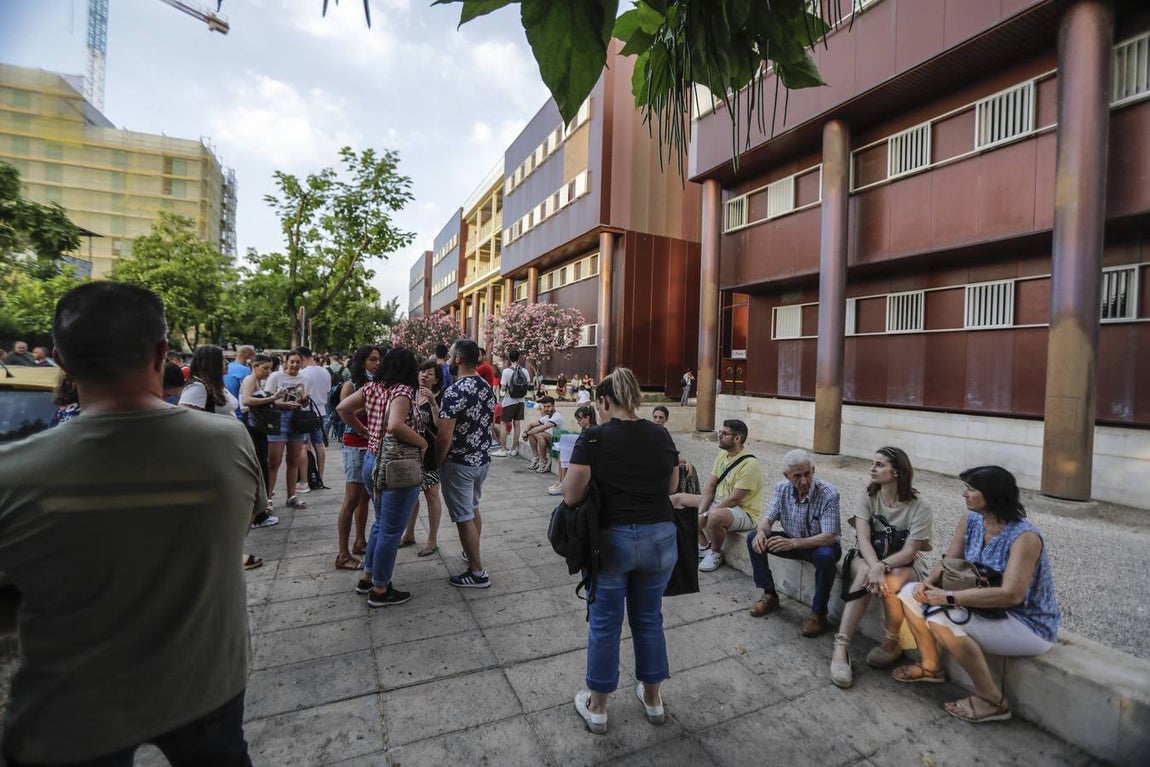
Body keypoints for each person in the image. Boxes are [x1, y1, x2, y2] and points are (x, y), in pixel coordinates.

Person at [0, 281, 262, 766]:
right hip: (204, 680)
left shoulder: (13, 475)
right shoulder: (227, 441)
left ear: (60, 359)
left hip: (70, 705)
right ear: (162, 353)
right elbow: (238, 529)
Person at [892, 466, 1060, 724]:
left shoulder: (1024, 536)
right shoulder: (970, 520)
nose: (964, 494)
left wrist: (949, 598)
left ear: (992, 494)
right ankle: (931, 667)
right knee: (907, 594)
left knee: (941, 618)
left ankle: (992, 699)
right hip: (984, 608)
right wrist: (927, 584)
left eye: (971, 489)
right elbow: (950, 560)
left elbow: (1011, 595)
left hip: (1026, 622)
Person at [563, 367, 680, 735]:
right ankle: (654, 699)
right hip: (660, 538)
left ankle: (598, 709)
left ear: (603, 402)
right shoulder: (660, 434)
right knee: (649, 620)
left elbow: (571, 494)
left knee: (605, 624)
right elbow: (671, 486)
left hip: (611, 541)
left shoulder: (593, 438)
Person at [830, 447, 933, 689]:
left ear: (896, 471)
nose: (872, 468)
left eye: (879, 464)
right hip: (867, 556)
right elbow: (863, 539)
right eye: (872, 463)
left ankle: (893, 641)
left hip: (902, 561)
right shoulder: (868, 496)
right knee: (866, 573)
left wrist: (883, 567)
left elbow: (910, 551)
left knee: (893, 579)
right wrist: (876, 566)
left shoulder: (921, 506)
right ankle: (841, 646)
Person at [336, 347, 427, 607]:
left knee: (379, 523)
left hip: (371, 460)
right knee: (390, 529)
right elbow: (396, 425)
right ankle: (380, 589)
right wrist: (423, 443)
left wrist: (366, 432)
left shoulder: (372, 388)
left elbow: (343, 408)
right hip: (396, 466)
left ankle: (368, 577)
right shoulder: (402, 392)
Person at [746, 449, 842, 637]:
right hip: (793, 541)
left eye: (807, 474)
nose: (804, 481)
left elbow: (829, 537)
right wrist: (760, 533)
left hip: (819, 545)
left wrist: (794, 544)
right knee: (752, 539)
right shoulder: (782, 488)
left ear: (813, 470)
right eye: (797, 476)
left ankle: (819, 614)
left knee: (825, 557)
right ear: (787, 476)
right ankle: (769, 595)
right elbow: (768, 519)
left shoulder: (828, 493)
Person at [435, 339, 496, 588]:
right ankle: (471, 554)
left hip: (459, 463)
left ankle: (477, 572)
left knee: (463, 516)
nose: (448, 360)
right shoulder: (485, 386)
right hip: (481, 460)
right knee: (472, 507)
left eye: (451, 356)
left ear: (458, 359)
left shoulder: (455, 391)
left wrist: (436, 463)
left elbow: (444, 435)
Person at [670, 419, 762, 573]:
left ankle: (715, 552)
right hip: (718, 502)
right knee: (676, 499)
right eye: (720, 432)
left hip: (744, 511)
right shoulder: (722, 455)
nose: (719, 436)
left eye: (724, 433)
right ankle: (704, 545)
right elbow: (710, 486)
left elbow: (735, 499)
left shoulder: (750, 464)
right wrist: (701, 512)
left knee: (714, 516)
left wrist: (707, 514)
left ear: (737, 438)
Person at [332, 345, 379, 570]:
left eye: (378, 359)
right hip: (355, 445)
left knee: (365, 498)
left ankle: (360, 541)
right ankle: (342, 553)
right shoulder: (351, 385)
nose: (377, 363)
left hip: (370, 444)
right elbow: (344, 411)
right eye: (372, 359)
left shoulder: (374, 383)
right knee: (351, 499)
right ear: (362, 362)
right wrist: (364, 424)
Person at [399, 358, 445, 557]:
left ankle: (432, 539)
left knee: (431, 495)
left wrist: (434, 402)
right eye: (423, 371)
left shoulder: (440, 397)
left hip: (428, 456)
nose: (425, 375)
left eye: (430, 373)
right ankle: (409, 534)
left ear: (436, 380)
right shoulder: (409, 393)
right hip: (408, 454)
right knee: (410, 495)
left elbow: (440, 426)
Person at [238, 354, 285, 528]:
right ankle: (258, 515)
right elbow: (247, 400)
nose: (268, 371)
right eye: (265, 368)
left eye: (270, 368)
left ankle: (260, 511)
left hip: (258, 427)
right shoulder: (250, 379)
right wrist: (272, 398)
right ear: (255, 366)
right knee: (260, 466)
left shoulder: (256, 381)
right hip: (253, 428)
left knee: (262, 466)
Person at [264, 350, 311, 510]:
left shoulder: (305, 379)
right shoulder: (276, 377)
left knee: (293, 461)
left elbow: (306, 403)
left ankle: (291, 496)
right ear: (286, 361)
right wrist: (284, 404)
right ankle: (268, 498)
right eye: (292, 361)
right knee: (273, 462)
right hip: (278, 420)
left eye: (298, 362)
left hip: (297, 421)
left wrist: (304, 401)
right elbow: (267, 401)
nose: (295, 365)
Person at [296, 346, 333, 489]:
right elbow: (328, 390)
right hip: (321, 411)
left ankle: (305, 481)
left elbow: (300, 396)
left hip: (305, 413)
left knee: (304, 446)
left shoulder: (302, 373)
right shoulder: (325, 372)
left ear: (302, 358)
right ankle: (319, 478)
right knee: (319, 445)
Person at [178, 345, 240, 417]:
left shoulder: (213, 385)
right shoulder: (197, 387)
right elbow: (187, 419)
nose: (227, 362)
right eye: (222, 359)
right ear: (210, 363)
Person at [652, 405, 701, 495]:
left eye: (661, 417)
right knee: (682, 470)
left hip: (665, 463)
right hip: (655, 467)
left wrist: (686, 461)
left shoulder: (665, 434)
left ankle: (690, 501)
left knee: (689, 468)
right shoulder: (650, 433)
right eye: (655, 417)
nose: (657, 420)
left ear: (666, 419)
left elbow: (672, 454)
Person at [549, 404, 595, 496]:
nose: (578, 423)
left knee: (565, 454)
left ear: (588, 418)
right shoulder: (585, 429)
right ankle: (561, 481)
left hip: (586, 457)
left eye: (580, 420)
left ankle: (563, 483)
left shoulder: (592, 430)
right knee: (562, 452)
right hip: (582, 452)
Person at [493, 349, 529, 457]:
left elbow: (503, 387)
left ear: (509, 358)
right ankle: (513, 449)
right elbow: (527, 384)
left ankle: (503, 449)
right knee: (517, 424)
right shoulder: (525, 371)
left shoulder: (506, 371)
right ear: (519, 358)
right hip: (521, 400)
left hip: (509, 401)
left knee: (504, 423)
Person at [523, 395, 565, 474]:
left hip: (558, 443)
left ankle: (544, 461)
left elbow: (541, 428)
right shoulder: (547, 417)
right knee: (532, 433)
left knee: (540, 434)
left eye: (548, 406)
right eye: (544, 406)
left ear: (553, 406)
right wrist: (525, 433)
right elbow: (531, 425)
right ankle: (536, 457)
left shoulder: (557, 416)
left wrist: (526, 434)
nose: (546, 409)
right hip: (550, 440)